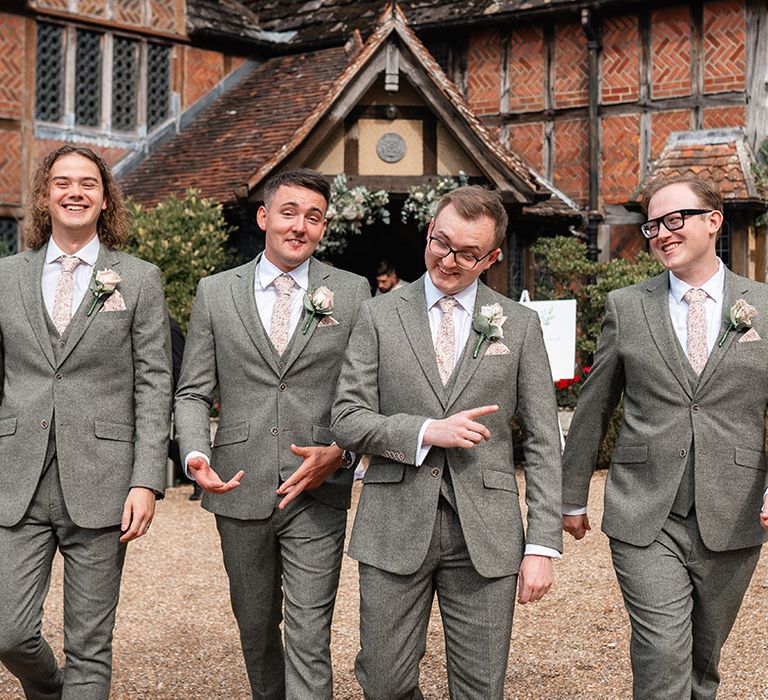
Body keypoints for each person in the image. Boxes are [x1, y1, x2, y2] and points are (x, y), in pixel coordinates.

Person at [332, 185, 562, 698]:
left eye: (467, 254)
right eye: (441, 242)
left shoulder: (519, 325)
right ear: (429, 232)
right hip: (393, 521)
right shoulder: (378, 314)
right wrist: (423, 431)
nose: (448, 260)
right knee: (384, 681)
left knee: (481, 688)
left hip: (488, 531)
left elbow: (546, 439)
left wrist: (542, 544)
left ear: (493, 257)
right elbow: (346, 418)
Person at [562, 175, 768, 699]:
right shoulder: (626, 307)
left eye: (674, 220)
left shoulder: (763, 305)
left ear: (712, 221)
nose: (661, 233)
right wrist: (570, 496)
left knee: (704, 661)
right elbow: (594, 405)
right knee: (661, 655)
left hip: (735, 507)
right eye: (653, 224)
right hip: (644, 511)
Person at [174, 168, 370, 699]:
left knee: (309, 638)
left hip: (317, 488)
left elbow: (366, 393)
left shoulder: (352, 293)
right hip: (239, 486)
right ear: (264, 217)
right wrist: (194, 453)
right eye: (289, 212)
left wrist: (341, 451)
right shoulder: (216, 292)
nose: (300, 226)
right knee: (257, 629)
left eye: (313, 217)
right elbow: (192, 391)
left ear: (323, 227)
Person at [0, 145, 172, 699]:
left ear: (104, 200)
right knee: (8, 632)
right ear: (45, 196)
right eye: (62, 182)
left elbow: (153, 384)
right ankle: (51, 691)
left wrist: (146, 479)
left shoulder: (139, 279)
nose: (75, 192)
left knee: (90, 647)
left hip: (103, 479)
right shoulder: (5, 277)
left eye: (88, 184)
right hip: (15, 478)